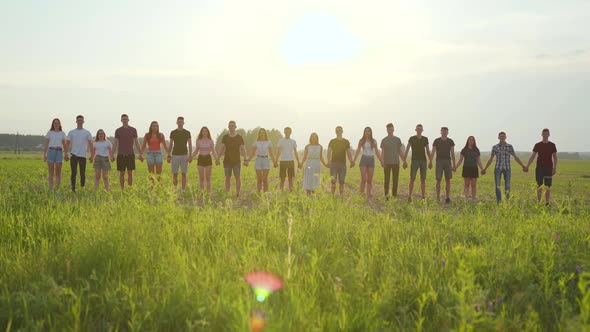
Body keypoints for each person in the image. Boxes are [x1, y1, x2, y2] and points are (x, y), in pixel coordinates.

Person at [482, 131, 526, 202]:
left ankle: (507, 201)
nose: (502, 137)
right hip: (498, 168)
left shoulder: (509, 146)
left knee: (507, 186)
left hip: (507, 168)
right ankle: (499, 202)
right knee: (497, 186)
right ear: (498, 137)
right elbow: (491, 158)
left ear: (506, 137)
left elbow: (515, 157)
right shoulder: (495, 147)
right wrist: (485, 168)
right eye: (501, 136)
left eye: (504, 136)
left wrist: (523, 166)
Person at [524, 128, 558, 205]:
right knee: (539, 185)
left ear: (549, 135)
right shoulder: (537, 145)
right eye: (544, 134)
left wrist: (554, 168)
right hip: (539, 168)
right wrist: (527, 166)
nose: (545, 135)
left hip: (549, 168)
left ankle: (547, 203)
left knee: (548, 186)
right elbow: (532, 156)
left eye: (546, 134)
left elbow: (555, 158)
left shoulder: (552, 145)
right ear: (541, 134)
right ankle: (539, 202)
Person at [218, 120, 249, 196]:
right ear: (228, 127)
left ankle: (238, 193)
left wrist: (245, 159)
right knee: (227, 178)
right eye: (230, 126)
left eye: (233, 126)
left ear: (235, 127)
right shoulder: (225, 137)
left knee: (237, 177)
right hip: (227, 161)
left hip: (236, 161)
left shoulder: (239, 137)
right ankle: (227, 193)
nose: (231, 127)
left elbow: (243, 149)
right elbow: (221, 148)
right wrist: (217, 158)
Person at [403, 124, 432, 202]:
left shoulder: (425, 139)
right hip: (414, 160)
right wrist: (404, 160)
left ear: (422, 130)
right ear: (415, 130)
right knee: (412, 179)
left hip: (423, 161)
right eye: (418, 129)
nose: (419, 130)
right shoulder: (412, 138)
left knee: (423, 179)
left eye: (420, 129)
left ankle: (423, 196)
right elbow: (407, 149)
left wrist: (431, 161)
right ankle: (409, 196)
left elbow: (428, 150)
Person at [352, 127, 383, 197]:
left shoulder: (374, 141)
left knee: (369, 180)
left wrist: (382, 161)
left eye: (368, 131)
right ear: (364, 132)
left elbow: (377, 152)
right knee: (363, 179)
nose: (367, 132)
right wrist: (353, 161)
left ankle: (369, 194)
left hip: (371, 160)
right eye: (366, 131)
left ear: (371, 132)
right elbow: (357, 151)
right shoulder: (361, 141)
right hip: (364, 159)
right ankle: (361, 193)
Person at [112, 114, 141, 189]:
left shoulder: (133, 130)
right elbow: (115, 143)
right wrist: (112, 154)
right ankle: (122, 189)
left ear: (128, 120)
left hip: (130, 154)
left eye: (126, 119)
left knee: (130, 173)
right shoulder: (118, 131)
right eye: (123, 119)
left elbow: (137, 142)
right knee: (121, 173)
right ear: (121, 120)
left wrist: (140, 153)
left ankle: (130, 189)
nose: (124, 120)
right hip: (121, 155)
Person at [65, 115, 93, 192]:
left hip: (83, 155)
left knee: (82, 173)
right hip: (73, 155)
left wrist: (92, 155)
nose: (80, 122)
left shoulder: (87, 132)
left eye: (81, 120)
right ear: (76, 121)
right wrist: (66, 154)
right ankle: (73, 188)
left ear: (83, 122)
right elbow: (67, 144)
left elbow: (90, 144)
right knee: (73, 172)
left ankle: (82, 187)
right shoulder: (71, 132)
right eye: (78, 120)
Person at [453, 136, 484, 202]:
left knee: (473, 185)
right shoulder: (464, 150)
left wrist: (482, 169)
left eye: (472, 140)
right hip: (466, 168)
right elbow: (460, 160)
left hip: (474, 169)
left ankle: (473, 199)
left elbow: (479, 160)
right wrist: (455, 167)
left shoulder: (476, 150)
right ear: (467, 141)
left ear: (474, 141)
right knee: (466, 184)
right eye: (470, 140)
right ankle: (466, 199)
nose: (471, 141)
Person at [380, 123, 406, 199]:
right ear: (387, 130)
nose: (390, 131)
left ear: (393, 129)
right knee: (386, 180)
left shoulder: (397, 140)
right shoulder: (384, 140)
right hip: (387, 163)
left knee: (395, 180)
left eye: (391, 129)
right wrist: (382, 161)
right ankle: (386, 195)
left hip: (396, 163)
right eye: (388, 129)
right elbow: (383, 152)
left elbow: (400, 151)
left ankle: (394, 195)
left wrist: (404, 160)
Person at [431, 127, 456, 203]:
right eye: (443, 131)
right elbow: (433, 152)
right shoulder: (436, 141)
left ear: (447, 133)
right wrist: (430, 161)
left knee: (448, 180)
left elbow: (452, 153)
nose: (444, 132)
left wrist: (454, 164)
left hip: (448, 161)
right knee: (438, 179)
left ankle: (447, 197)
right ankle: (438, 197)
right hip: (439, 161)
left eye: (446, 131)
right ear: (440, 132)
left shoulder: (450, 141)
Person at [167, 116, 192, 192]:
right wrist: (168, 155)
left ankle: (183, 190)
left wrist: (190, 155)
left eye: (181, 122)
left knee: (184, 173)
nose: (180, 123)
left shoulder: (187, 133)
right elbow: (170, 144)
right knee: (175, 174)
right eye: (179, 122)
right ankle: (175, 189)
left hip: (184, 155)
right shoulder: (173, 132)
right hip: (175, 155)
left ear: (183, 123)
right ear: (177, 123)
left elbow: (190, 144)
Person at [190, 126, 219, 192]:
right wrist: (190, 157)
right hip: (200, 159)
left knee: (208, 178)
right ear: (201, 132)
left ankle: (208, 192)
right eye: (203, 131)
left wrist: (217, 159)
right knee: (201, 178)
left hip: (208, 158)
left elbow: (213, 151)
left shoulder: (211, 141)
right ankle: (202, 192)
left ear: (208, 132)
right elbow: (196, 151)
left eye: (206, 131)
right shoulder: (198, 140)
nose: (204, 132)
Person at [327, 126, 354, 195]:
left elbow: (348, 152)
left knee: (342, 181)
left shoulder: (346, 141)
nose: (338, 131)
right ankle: (332, 195)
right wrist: (328, 161)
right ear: (335, 132)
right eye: (337, 130)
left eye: (340, 130)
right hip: (333, 163)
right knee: (333, 180)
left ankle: (341, 195)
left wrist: (351, 161)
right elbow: (329, 151)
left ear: (342, 131)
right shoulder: (332, 141)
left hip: (342, 164)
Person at [248, 128, 276, 192]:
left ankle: (265, 193)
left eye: (263, 132)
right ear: (259, 134)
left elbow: (271, 153)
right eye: (260, 132)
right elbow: (253, 153)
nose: (262, 134)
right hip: (258, 160)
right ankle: (259, 192)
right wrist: (248, 160)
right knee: (259, 179)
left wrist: (274, 162)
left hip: (266, 160)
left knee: (265, 179)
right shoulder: (256, 142)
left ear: (265, 134)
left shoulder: (269, 142)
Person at [43, 118, 67, 190]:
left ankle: (57, 188)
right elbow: (46, 144)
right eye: (55, 123)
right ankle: (51, 188)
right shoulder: (49, 133)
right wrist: (44, 154)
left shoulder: (62, 133)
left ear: (59, 124)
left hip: (59, 152)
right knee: (51, 172)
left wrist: (66, 154)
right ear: (53, 124)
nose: (56, 124)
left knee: (58, 172)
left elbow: (64, 145)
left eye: (57, 123)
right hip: (51, 151)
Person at [277, 127, 300, 192]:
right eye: (286, 132)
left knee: (290, 178)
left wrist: (298, 162)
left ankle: (291, 191)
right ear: (284, 132)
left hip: (290, 161)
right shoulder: (280, 141)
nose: (287, 133)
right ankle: (281, 191)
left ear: (290, 132)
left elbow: (295, 152)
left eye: (288, 132)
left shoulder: (293, 141)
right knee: (282, 178)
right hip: (283, 161)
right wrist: (276, 161)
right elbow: (278, 152)